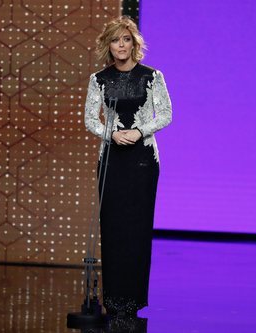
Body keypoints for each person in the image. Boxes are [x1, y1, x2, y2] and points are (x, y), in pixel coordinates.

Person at [84, 16, 172, 318]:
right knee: (112, 228)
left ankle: (132, 301)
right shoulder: (99, 79)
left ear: (135, 43)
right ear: (108, 45)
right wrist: (111, 132)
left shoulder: (152, 76)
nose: (121, 46)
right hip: (110, 161)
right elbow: (90, 119)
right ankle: (114, 298)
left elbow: (166, 114)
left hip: (143, 160)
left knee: (136, 229)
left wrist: (139, 131)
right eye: (115, 40)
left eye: (126, 39)